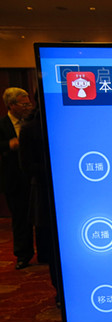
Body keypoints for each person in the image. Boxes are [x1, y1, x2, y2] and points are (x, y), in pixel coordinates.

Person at [19, 92, 59, 300]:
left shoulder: (66, 122)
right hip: (46, 192)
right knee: (54, 246)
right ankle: (60, 291)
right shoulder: (31, 128)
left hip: (77, 191)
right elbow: (26, 166)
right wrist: (57, 170)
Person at [1, 87, 34, 269]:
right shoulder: (2, 125)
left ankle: (45, 252)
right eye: (24, 104)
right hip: (14, 179)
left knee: (41, 218)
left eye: (29, 104)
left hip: (34, 178)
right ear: (11, 105)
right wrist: (9, 144)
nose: (28, 107)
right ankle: (23, 255)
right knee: (20, 220)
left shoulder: (33, 121)